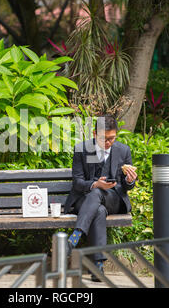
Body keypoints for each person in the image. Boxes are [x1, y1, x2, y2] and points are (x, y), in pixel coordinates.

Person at [64, 115, 137, 282]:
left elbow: (127, 187)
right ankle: (98, 267)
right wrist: (96, 184)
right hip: (85, 199)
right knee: (98, 210)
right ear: (95, 134)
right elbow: (78, 183)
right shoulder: (82, 149)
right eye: (104, 138)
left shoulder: (123, 150)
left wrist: (129, 180)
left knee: (98, 196)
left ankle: (76, 235)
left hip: (114, 199)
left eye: (112, 138)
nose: (108, 143)